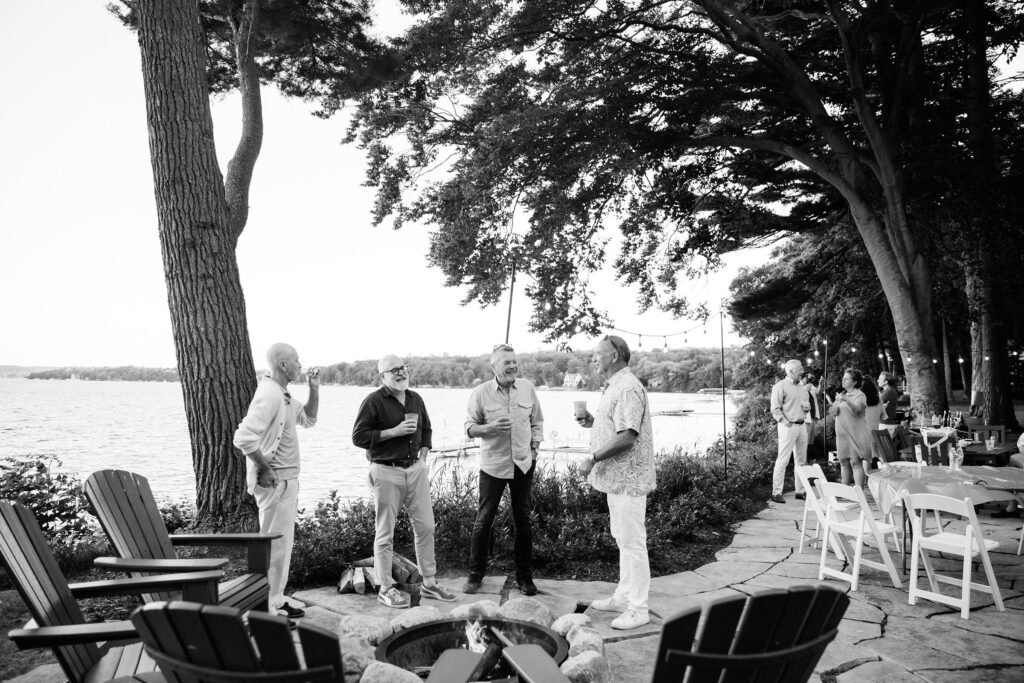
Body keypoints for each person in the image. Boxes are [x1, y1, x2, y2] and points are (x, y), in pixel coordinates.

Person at [352, 355, 456, 608]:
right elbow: (359, 437)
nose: (400, 373)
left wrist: (423, 455)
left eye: (403, 368)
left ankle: (429, 584)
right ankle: (386, 588)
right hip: (386, 471)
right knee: (385, 532)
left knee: (426, 527)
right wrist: (394, 432)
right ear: (383, 376)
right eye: (394, 370)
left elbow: (427, 429)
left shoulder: (415, 398)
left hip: (415, 470)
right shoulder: (373, 401)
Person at [233, 343, 319, 619]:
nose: (300, 364)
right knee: (273, 546)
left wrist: (314, 389)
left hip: (288, 481)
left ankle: (277, 599)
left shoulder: (282, 395)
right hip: (275, 483)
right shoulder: (269, 396)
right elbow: (243, 437)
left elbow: (308, 419)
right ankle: (267, 607)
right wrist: (266, 468)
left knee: (283, 546)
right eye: (296, 360)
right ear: (283, 365)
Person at [576, 335, 655, 631]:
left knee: (633, 543)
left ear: (613, 356)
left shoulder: (628, 386)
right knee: (623, 540)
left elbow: (627, 435)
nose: (594, 359)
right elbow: (617, 426)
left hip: (629, 480)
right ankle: (623, 597)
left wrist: (592, 458)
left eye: (597, 354)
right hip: (617, 480)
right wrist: (594, 422)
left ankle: (639, 608)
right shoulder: (616, 386)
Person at [463, 344, 544, 596]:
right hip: (493, 466)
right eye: (506, 362)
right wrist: (489, 428)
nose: (512, 366)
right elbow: (469, 427)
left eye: (514, 361)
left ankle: (524, 577)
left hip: (523, 464)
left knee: (524, 522)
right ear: (494, 367)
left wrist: (534, 450)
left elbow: (537, 421)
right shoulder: (481, 393)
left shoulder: (528, 388)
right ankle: (475, 576)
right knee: (483, 520)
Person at [769, 360, 810, 504]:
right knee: (783, 459)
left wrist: (806, 407)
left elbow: (805, 405)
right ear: (791, 371)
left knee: (801, 460)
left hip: (802, 425)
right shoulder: (780, 386)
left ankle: (799, 491)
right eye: (800, 369)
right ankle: (776, 492)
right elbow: (775, 408)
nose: (802, 371)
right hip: (788, 426)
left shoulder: (802, 386)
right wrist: (785, 422)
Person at [828, 368, 870, 487]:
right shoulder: (842, 395)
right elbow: (835, 413)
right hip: (842, 436)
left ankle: (859, 493)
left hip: (855, 434)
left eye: (846, 379)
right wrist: (834, 409)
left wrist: (846, 400)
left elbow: (858, 410)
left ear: (855, 382)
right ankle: (845, 491)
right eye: (843, 379)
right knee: (844, 462)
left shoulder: (860, 395)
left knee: (855, 462)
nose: (843, 381)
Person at [800, 371, 824, 459]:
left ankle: (807, 458)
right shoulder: (798, 386)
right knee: (804, 440)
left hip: (812, 415)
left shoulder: (810, 385)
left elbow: (818, 392)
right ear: (804, 377)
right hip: (805, 417)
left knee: (810, 440)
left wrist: (820, 383)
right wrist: (804, 389)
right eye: (808, 376)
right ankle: (803, 460)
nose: (810, 378)